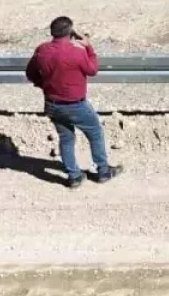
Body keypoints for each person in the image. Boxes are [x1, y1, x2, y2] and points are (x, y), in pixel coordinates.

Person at [24, 16, 120, 189]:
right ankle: (103, 171)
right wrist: (89, 46)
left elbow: (30, 73)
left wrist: (44, 85)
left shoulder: (42, 50)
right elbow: (92, 70)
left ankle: (74, 176)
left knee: (66, 138)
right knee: (95, 133)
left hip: (53, 104)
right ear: (71, 32)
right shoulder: (77, 51)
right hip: (76, 104)